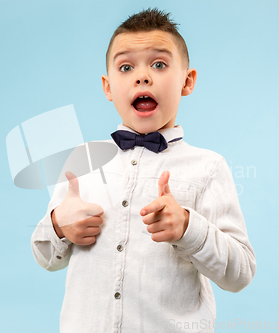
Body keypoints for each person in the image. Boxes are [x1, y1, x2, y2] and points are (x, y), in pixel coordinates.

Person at [31, 7, 256, 333]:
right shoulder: (82, 161)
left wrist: (188, 228)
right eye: (126, 67)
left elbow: (241, 273)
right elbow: (45, 256)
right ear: (108, 88)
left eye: (160, 64)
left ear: (187, 81)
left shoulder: (208, 168)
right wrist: (58, 226)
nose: (142, 76)